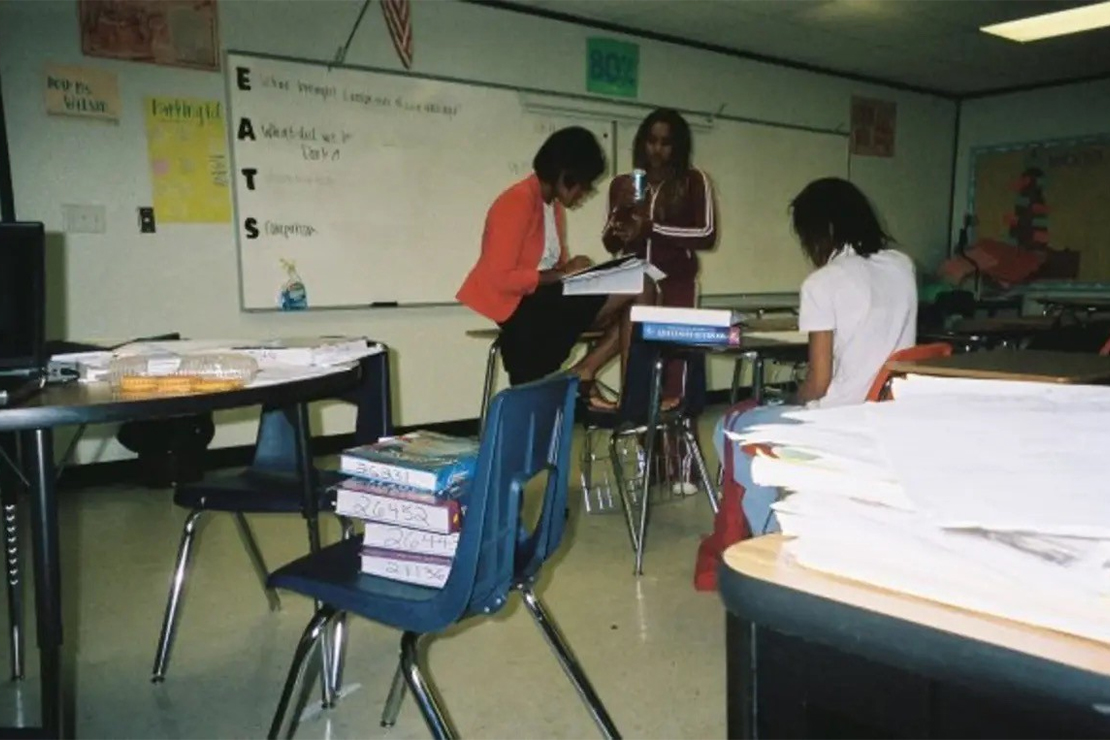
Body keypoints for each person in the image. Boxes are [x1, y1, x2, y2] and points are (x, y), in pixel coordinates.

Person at [714, 177, 917, 535]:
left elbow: (819, 384)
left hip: (839, 421)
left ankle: (773, 536)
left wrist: (793, 399)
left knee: (729, 429)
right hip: (889, 417)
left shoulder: (823, 283)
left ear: (819, 232)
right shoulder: (902, 266)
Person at [457, 126, 637, 393]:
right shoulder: (516, 202)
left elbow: (549, 268)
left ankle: (588, 373)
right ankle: (590, 378)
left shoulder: (551, 206)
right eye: (584, 186)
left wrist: (571, 270)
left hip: (546, 300)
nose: (584, 194)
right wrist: (561, 275)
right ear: (565, 176)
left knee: (639, 285)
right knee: (638, 285)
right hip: (522, 307)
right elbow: (500, 278)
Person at [596, 108, 717, 409]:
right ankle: (643, 451)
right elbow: (611, 243)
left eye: (666, 143)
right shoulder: (623, 184)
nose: (657, 150)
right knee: (639, 379)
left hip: (677, 285)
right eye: (651, 141)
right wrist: (621, 211)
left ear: (677, 147)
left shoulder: (693, 180)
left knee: (675, 389)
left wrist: (651, 228)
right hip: (636, 287)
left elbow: (706, 234)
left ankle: (678, 454)